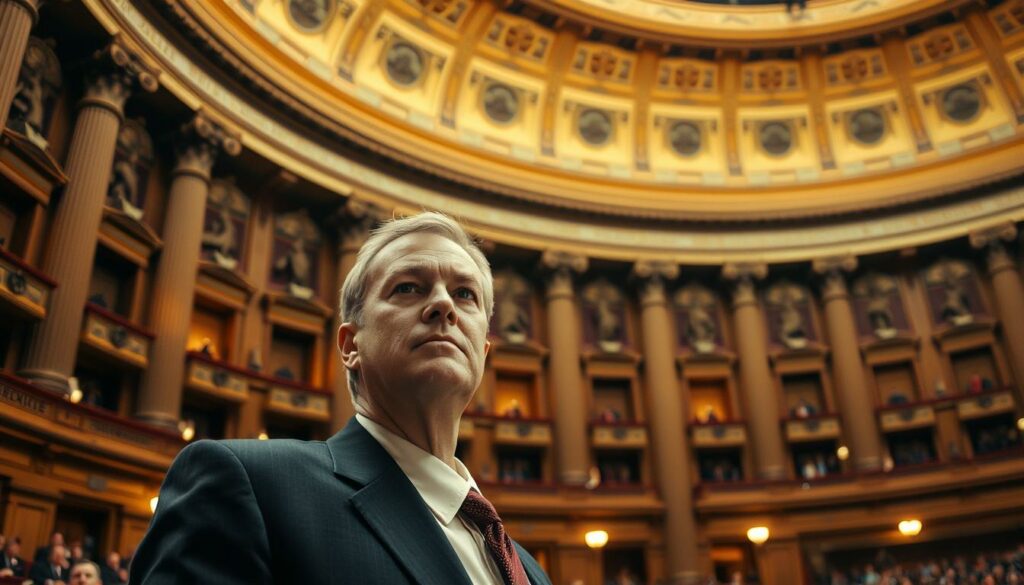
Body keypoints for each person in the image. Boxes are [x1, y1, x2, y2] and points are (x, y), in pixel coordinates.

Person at [131, 213, 552, 584]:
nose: (443, 304)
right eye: (408, 287)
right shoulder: (251, 487)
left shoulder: (529, 571)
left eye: (465, 294)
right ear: (351, 345)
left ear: (482, 352)